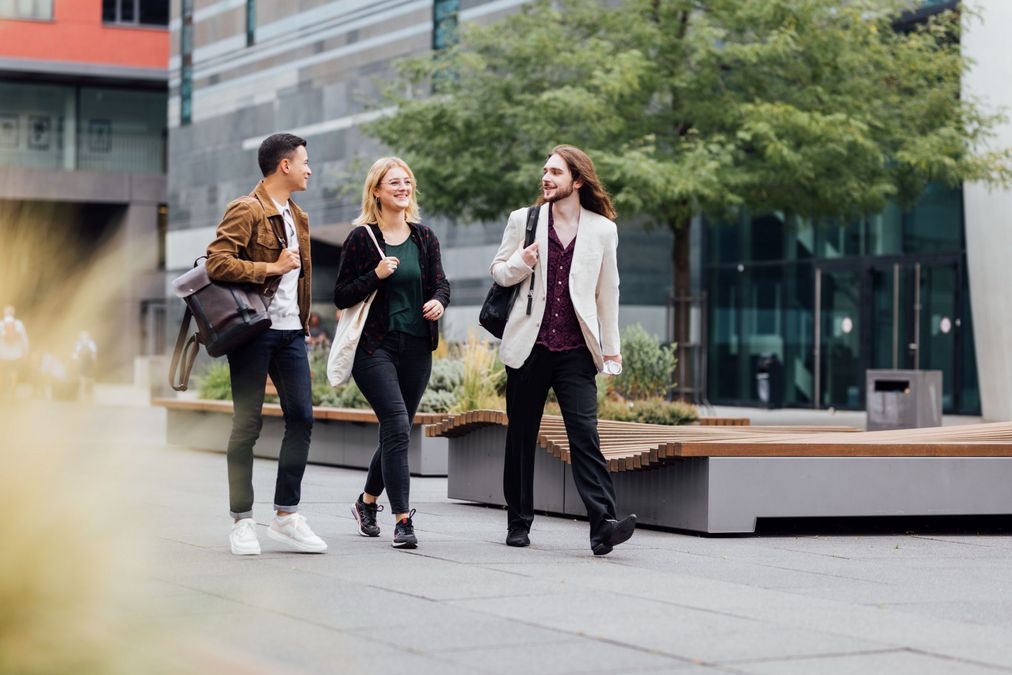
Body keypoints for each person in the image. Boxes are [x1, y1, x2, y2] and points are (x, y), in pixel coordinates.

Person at [490, 145, 636, 556]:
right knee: (520, 437)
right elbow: (499, 272)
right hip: (528, 346)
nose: (546, 177)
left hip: (575, 350)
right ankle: (518, 522)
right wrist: (521, 262)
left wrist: (612, 348)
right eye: (544, 170)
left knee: (585, 436)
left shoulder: (603, 230)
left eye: (555, 171)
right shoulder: (524, 220)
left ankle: (603, 525)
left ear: (577, 180)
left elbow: (609, 292)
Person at [205, 133, 327, 556]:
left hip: (291, 331)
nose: (310, 169)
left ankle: (286, 516)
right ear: (285, 166)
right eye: (305, 161)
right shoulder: (247, 208)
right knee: (247, 425)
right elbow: (217, 260)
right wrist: (270, 266)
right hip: (254, 331)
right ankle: (242, 520)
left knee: (303, 418)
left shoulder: (298, 216)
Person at [334, 157, 450, 549]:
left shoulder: (424, 237)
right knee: (398, 424)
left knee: (395, 431)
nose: (403, 187)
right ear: (377, 191)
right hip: (375, 348)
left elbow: (441, 283)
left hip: (417, 347)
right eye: (394, 182)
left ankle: (367, 502)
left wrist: (438, 301)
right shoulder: (361, 238)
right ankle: (403, 520)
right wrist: (376, 275)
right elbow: (341, 295)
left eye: (407, 182)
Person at [0, 305, 29, 400]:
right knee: (14, 372)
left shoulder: (1, 324)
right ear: (13, 313)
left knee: (2, 372)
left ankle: (2, 390)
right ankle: (13, 391)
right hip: (16, 354)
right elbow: (24, 339)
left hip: (2, 354)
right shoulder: (19, 324)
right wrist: (26, 352)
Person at [71, 330, 98, 400]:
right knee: (81, 378)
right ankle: (81, 393)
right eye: (82, 335)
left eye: (85, 335)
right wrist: (75, 361)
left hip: (88, 362)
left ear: (88, 336)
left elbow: (94, 354)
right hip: (81, 362)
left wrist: (94, 362)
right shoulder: (77, 344)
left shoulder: (91, 343)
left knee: (90, 378)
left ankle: (90, 392)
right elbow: (75, 353)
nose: (83, 337)